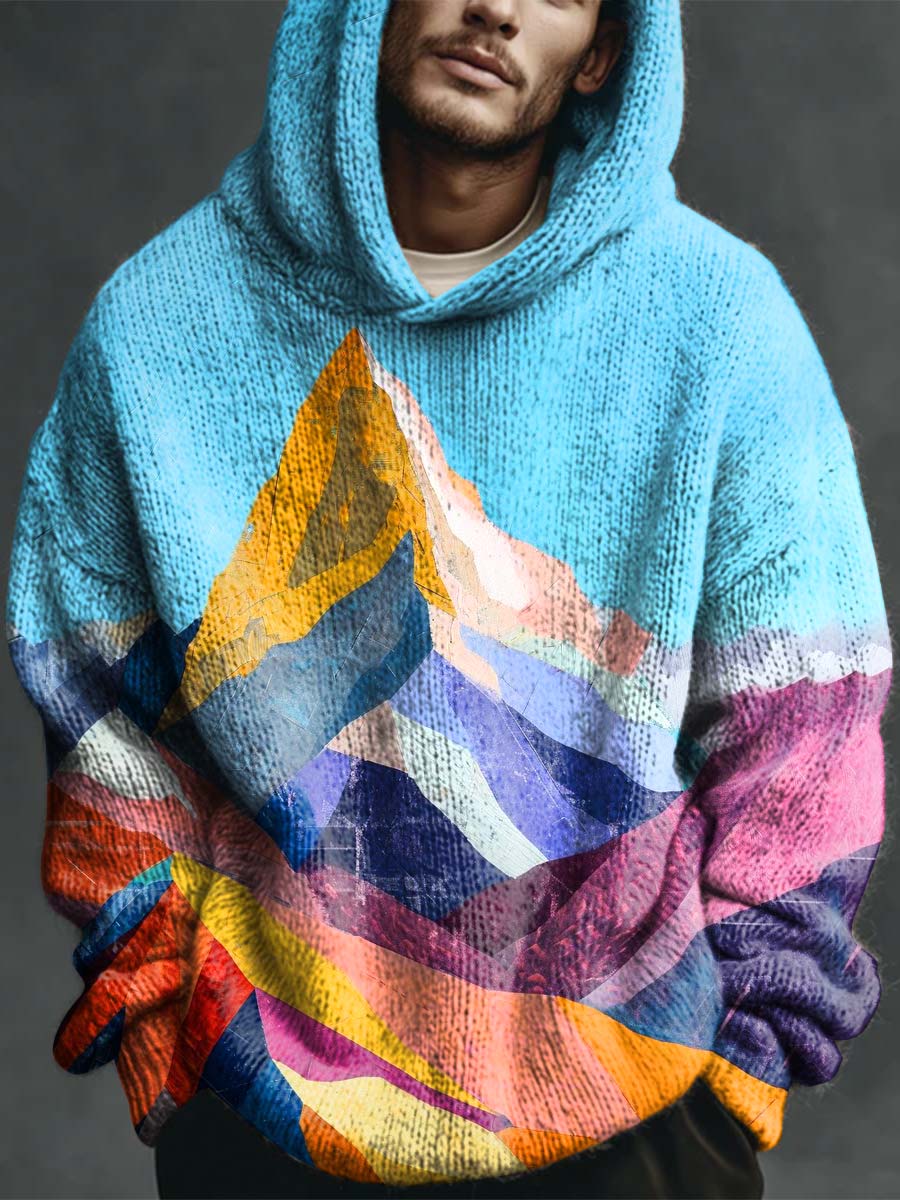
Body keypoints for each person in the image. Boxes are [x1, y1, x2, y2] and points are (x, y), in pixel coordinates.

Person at [5, 1, 891, 1199]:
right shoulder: (158, 326)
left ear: (604, 51)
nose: (496, 8)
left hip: (640, 1127)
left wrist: (732, 1078)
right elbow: (96, 711)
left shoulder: (723, 328)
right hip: (267, 1124)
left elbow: (808, 734)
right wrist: (179, 1039)